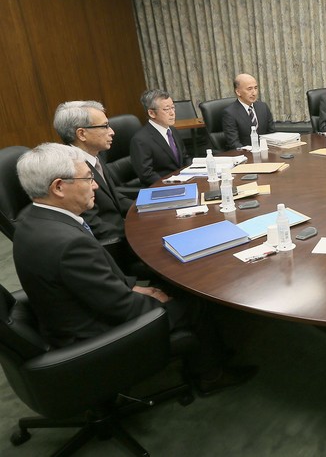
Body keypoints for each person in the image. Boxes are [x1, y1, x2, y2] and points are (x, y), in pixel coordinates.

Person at [13, 143, 257, 395]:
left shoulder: (32, 219)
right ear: (59, 187)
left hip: (72, 312)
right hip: (92, 334)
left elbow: (92, 282)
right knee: (194, 302)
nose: (95, 185)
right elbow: (120, 308)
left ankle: (210, 350)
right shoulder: (67, 243)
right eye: (87, 179)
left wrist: (135, 287)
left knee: (166, 290)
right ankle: (211, 376)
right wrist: (159, 300)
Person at [53, 100, 139, 272]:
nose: (112, 132)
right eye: (105, 126)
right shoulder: (72, 170)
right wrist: (139, 233)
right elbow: (93, 226)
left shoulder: (93, 157)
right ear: (82, 134)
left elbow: (115, 198)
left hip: (122, 234)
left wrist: (149, 208)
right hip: (112, 251)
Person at [130, 89, 190, 185]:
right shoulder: (140, 140)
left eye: (173, 107)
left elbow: (185, 157)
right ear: (151, 113)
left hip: (182, 182)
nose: (172, 113)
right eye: (167, 109)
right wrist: (170, 184)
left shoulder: (172, 130)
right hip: (163, 188)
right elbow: (147, 175)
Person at [222, 73, 276, 148]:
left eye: (256, 88)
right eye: (249, 89)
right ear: (238, 92)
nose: (254, 93)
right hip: (246, 155)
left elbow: (271, 134)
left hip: (266, 152)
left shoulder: (263, 107)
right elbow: (234, 144)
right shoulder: (230, 113)